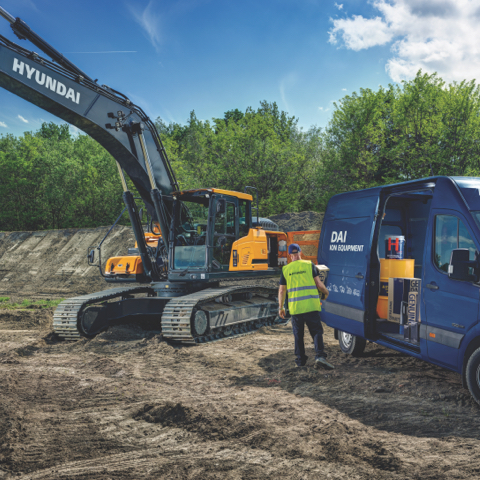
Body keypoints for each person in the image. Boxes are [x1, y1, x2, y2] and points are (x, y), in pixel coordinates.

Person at [278, 243, 334, 370]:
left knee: (298, 335)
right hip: (311, 306)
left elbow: (282, 291)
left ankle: (300, 361)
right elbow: (319, 284)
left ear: (289, 254)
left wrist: (281, 307)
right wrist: (326, 293)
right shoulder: (309, 265)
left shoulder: (286, 269)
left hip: (296, 309)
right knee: (316, 332)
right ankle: (320, 357)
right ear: (300, 252)